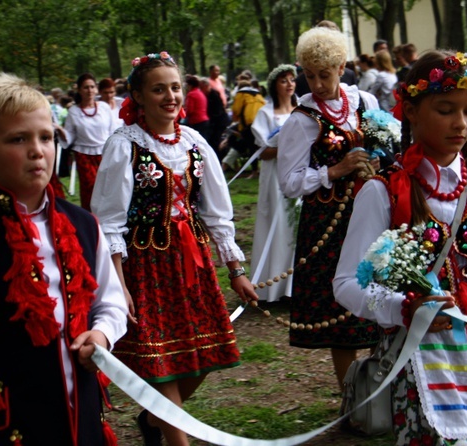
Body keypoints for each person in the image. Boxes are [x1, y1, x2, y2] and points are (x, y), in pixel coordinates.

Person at [334, 50, 467, 445]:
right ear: (410, 110)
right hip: (416, 359)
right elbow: (345, 284)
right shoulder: (384, 192)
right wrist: (401, 307)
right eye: (445, 109)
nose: (460, 123)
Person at [0, 72, 128, 446]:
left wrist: (102, 334)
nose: (38, 150)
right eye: (17, 139)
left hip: (82, 417)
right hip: (7, 429)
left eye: (45, 137)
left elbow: (111, 301)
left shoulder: (85, 224)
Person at [91, 51, 258, 446]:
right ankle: (174, 436)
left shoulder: (195, 142)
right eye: (158, 89)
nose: (170, 96)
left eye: (175, 87)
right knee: (163, 362)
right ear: (138, 95)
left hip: (193, 263)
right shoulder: (124, 145)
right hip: (146, 266)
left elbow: (217, 212)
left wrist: (236, 269)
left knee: (203, 356)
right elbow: (108, 222)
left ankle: (153, 418)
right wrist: (118, 285)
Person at [277, 26, 382, 391]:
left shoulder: (366, 103)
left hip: (373, 215)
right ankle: (350, 396)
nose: (317, 84)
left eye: (324, 74)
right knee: (343, 317)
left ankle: (383, 389)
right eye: (309, 75)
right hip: (328, 224)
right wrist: (334, 171)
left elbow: (387, 144)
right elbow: (289, 182)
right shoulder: (302, 120)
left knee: (382, 303)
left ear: (341, 67)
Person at [249, 64, 298, 302]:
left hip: (300, 174)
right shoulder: (266, 114)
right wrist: (285, 144)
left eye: (292, 79)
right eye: (284, 80)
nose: (289, 84)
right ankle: (274, 286)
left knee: (297, 226)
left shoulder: (302, 110)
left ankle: (295, 286)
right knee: (278, 226)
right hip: (276, 177)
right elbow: (264, 152)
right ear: (274, 85)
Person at [58, 73, 114, 210]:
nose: (89, 90)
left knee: (108, 188)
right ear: (79, 90)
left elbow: (111, 131)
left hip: (104, 153)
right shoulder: (73, 111)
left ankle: (108, 220)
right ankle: (91, 220)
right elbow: (70, 136)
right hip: (84, 155)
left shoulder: (104, 107)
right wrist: (59, 130)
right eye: (85, 87)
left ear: (96, 89)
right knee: (90, 188)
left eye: (92, 87)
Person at [200, 76, 230, 155]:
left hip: (219, 122)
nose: (200, 90)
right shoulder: (208, 95)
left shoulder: (214, 94)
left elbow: (217, 110)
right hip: (215, 121)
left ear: (206, 86)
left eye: (201, 87)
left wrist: (211, 121)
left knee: (216, 141)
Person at [183, 74, 210, 140]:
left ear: (190, 85)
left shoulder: (191, 94)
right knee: (202, 141)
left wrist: (182, 114)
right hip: (204, 120)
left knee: (194, 142)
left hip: (196, 122)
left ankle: (194, 151)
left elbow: (190, 110)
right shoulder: (200, 93)